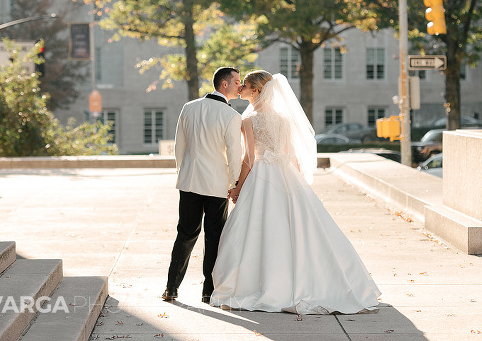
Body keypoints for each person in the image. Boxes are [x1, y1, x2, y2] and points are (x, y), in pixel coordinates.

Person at [211, 70, 381, 314]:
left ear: (256, 91)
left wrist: (237, 188)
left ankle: (264, 284)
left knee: (260, 230)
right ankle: (309, 282)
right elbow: (292, 155)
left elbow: (248, 159)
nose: (240, 89)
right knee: (298, 230)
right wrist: (298, 184)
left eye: (245, 85)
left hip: (261, 176)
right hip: (286, 175)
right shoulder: (283, 119)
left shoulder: (248, 120)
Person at [163, 67, 243, 303]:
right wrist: (235, 182)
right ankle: (208, 291)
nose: (240, 85)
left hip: (189, 180)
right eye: (237, 81)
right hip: (216, 184)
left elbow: (180, 145)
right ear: (224, 85)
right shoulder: (231, 116)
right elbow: (234, 153)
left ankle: (171, 287)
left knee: (185, 234)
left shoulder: (189, 107)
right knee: (214, 237)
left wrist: (183, 170)